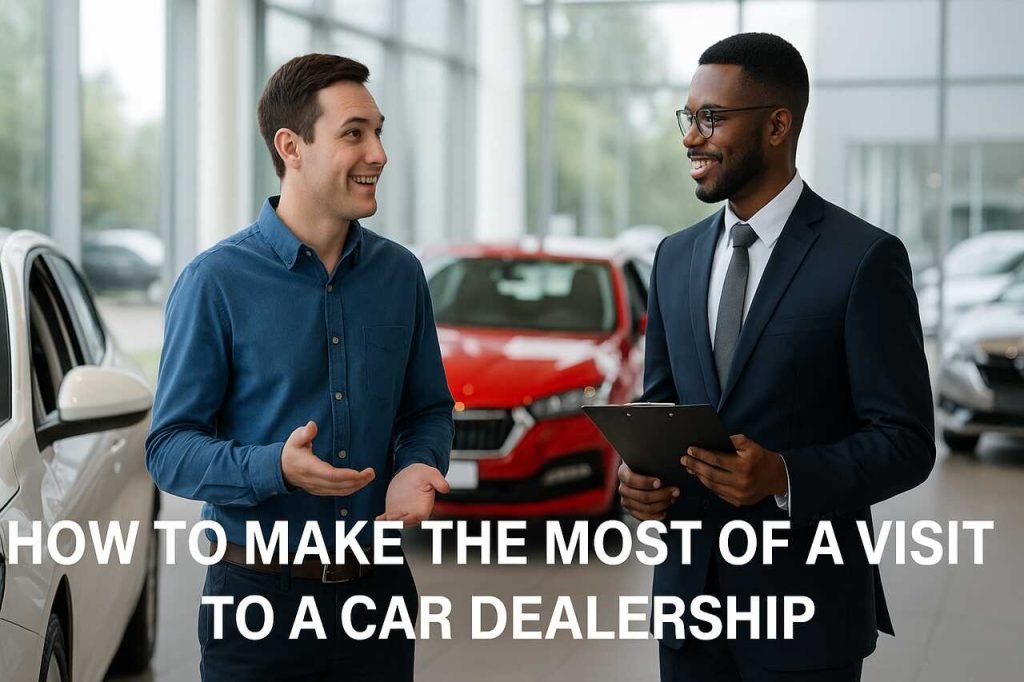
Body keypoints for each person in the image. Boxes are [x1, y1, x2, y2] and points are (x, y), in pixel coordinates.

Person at [618, 33, 935, 681]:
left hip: (806, 619)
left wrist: (786, 476)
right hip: (689, 609)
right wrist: (640, 480)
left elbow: (907, 440)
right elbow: (662, 404)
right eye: (688, 118)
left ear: (777, 125)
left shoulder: (863, 260)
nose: (690, 137)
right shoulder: (674, 258)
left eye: (711, 118)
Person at [146, 53, 454, 681]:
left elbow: (427, 408)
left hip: (378, 598)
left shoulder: (400, 276)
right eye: (353, 133)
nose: (379, 154)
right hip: (256, 604)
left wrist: (419, 463)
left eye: (378, 131)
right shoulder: (216, 282)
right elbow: (169, 448)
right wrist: (274, 468)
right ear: (292, 146)